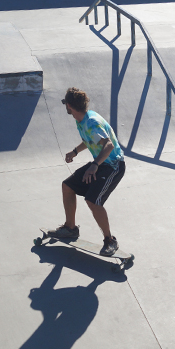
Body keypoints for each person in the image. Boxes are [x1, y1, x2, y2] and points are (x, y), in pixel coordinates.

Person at [47, 87, 126, 256]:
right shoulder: (81, 119)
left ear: (69, 105)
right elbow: (90, 140)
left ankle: (110, 241)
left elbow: (108, 145)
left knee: (93, 201)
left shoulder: (92, 122)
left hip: (113, 166)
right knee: (68, 186)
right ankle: (70, 228)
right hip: (100, 162)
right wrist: (75, 152)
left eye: (65, 104)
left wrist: (95, 165)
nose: (65, 107)